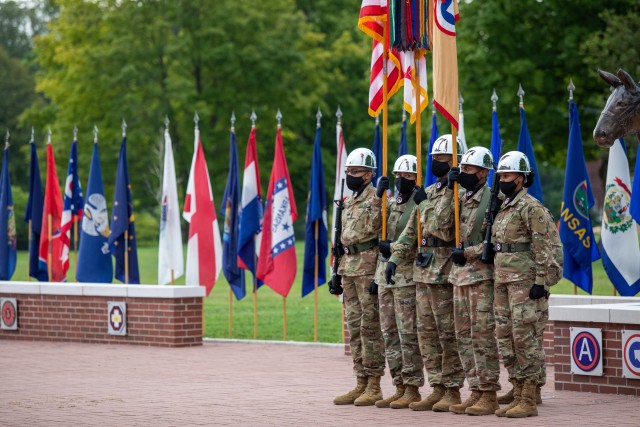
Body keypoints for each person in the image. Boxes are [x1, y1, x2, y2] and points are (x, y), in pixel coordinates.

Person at [386, 134, 466, 412]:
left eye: (442, 159)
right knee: (426, 334)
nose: (436, 163)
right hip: (422, 272)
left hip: (444, 271)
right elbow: (411, 232)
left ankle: (452, 388)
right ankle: (436, 387)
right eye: (434, 158)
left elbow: (442, 228)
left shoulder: (456, 193)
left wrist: (422, 204)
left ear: (454, 161)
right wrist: (395, 259)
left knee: (447, 334)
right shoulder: (430, 192)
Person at [490, 151, 556, 418]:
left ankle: (528, 395)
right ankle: (518, 387)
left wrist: (540, 281)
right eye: (500, 176)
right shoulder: (504, 207)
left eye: (507, 176)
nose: (502, 180)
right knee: (505, 337)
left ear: (521, 179)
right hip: (503, 281)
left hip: (525, 283)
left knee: (524, 338)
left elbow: (544, 247)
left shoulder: (532, 207)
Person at [441, 147, 501, 415]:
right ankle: (475, 389)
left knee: (482, 336)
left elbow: (497, 241)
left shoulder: (494, 199)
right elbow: (439, 226)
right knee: (463, 335)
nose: (463, 173)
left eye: (468, 170)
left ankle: (488, 392)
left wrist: (468, 252)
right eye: (462, 169)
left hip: (481, 277)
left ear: (484, 173)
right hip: (460, 276)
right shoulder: (460, 198)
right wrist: (447, 191)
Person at [332, 147, 385, 406]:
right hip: (349, 268)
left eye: (356, 171)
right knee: (354, 327)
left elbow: (378, 231)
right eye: (348, 171)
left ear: (368, 174)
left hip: (368, 267)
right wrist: (335, 272)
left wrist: (379, 275)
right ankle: (360, 381)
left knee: (369, 327)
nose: (351, 175)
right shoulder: (349, 202)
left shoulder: (378, 198)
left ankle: (374, 384)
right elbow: (342, 240)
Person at [372, 155, 424, 409]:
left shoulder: (419, 204)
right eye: (398, 176)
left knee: (407, 334)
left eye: (408, 176)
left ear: (417, 178)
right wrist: (376, 197)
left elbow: (416, 238)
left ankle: (412, 387)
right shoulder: (391, 202)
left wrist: (391, 248)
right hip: (385, 275)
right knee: (389, 333)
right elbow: (372, 229)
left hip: (406, 275)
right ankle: (399, 385)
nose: (402, 180)